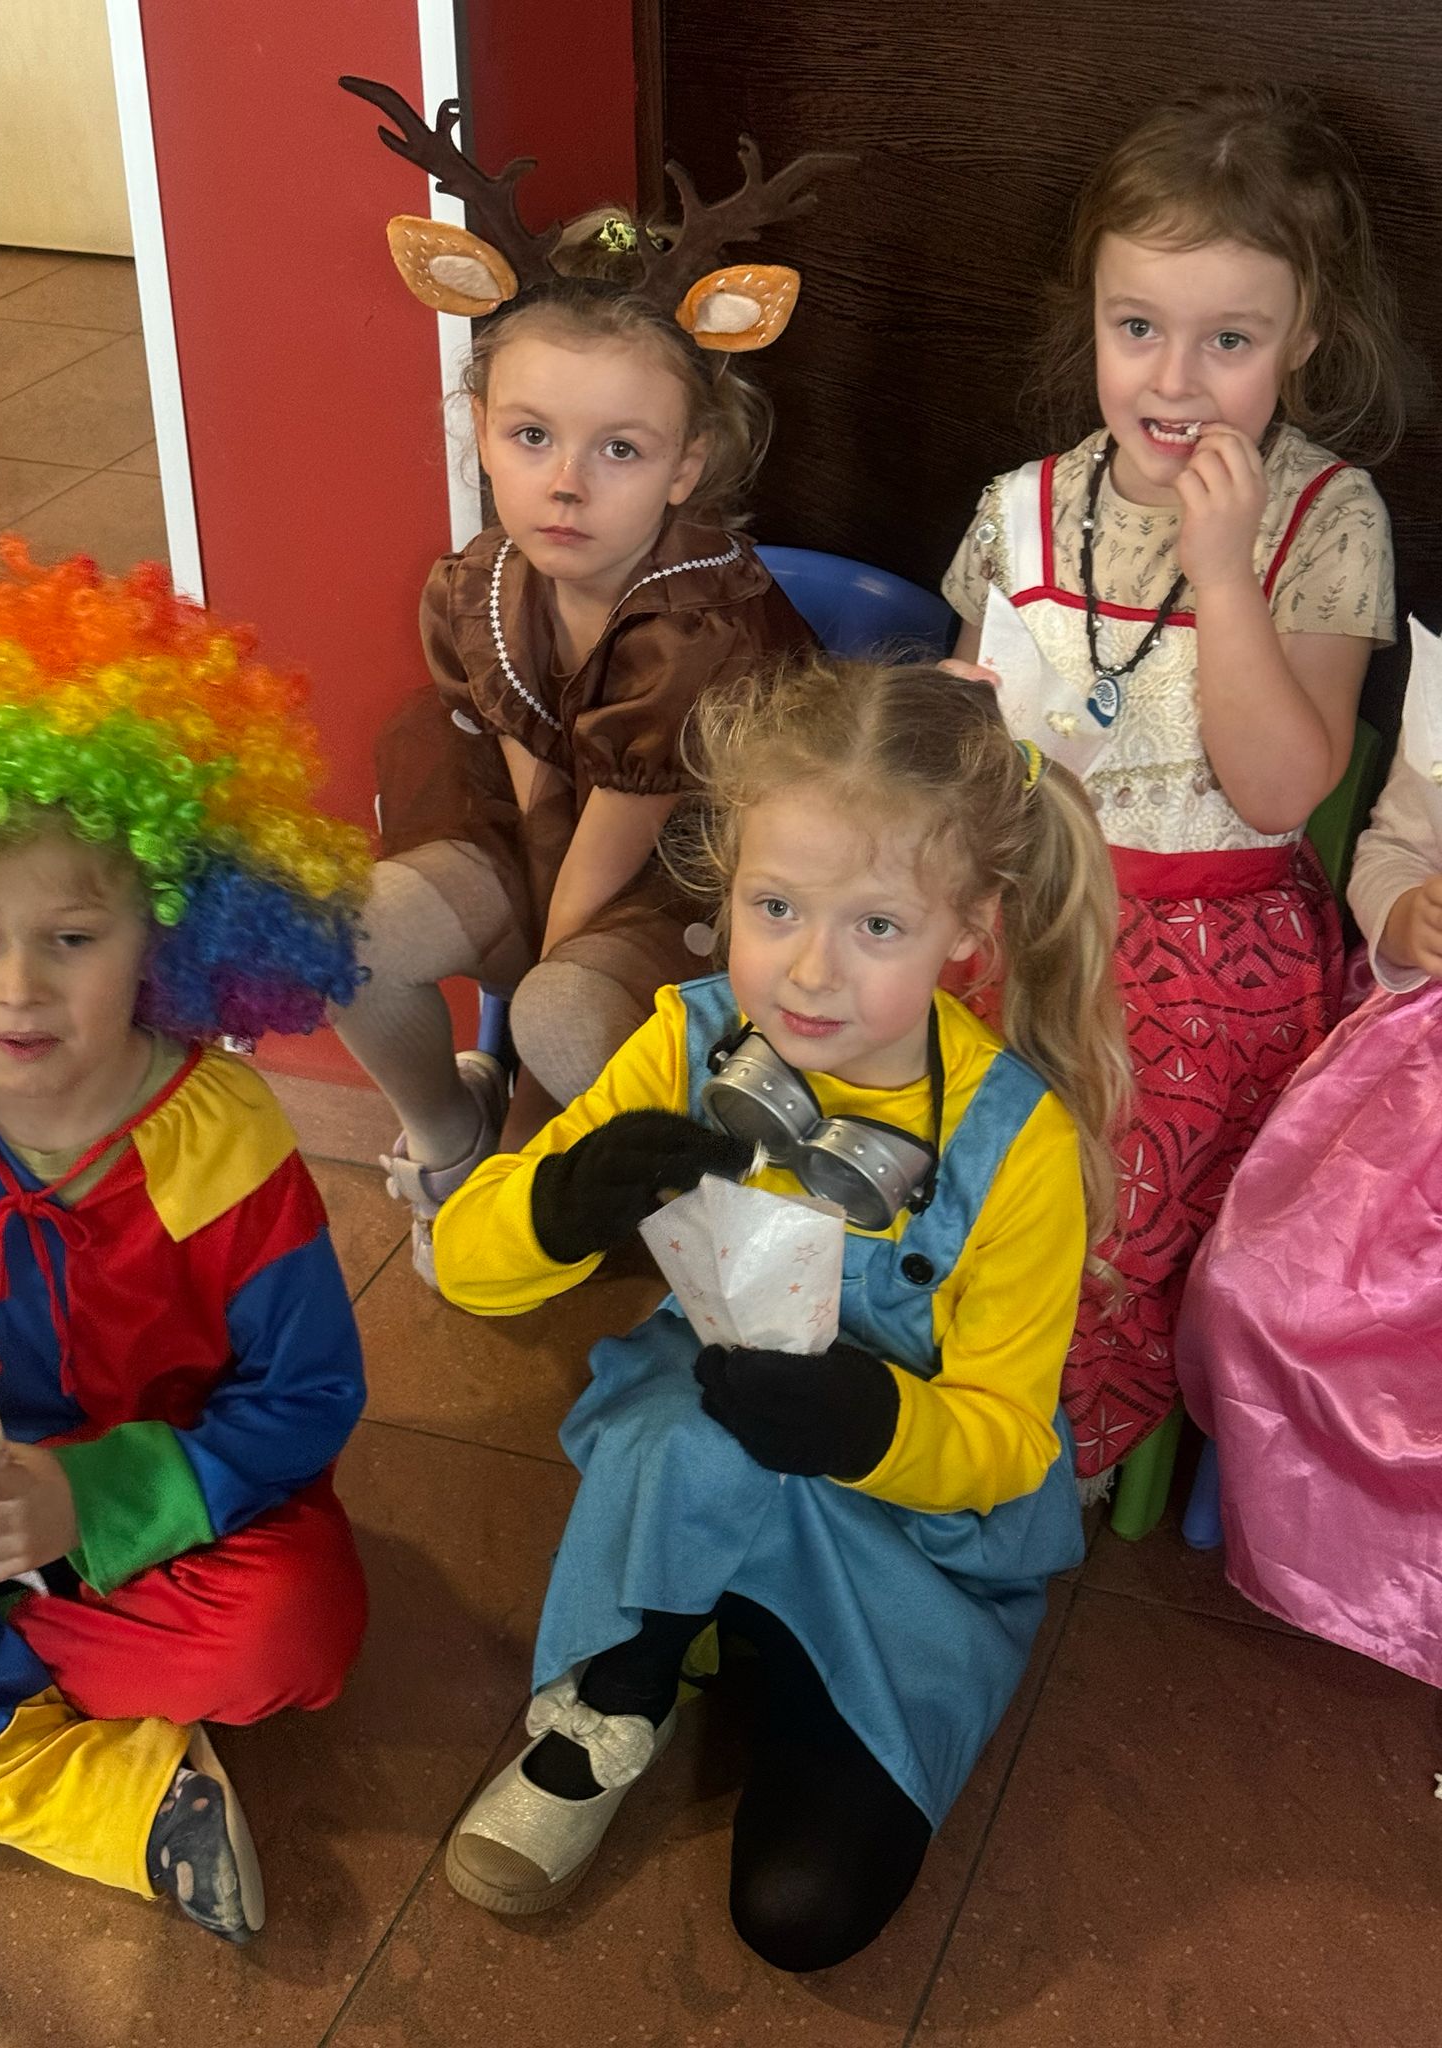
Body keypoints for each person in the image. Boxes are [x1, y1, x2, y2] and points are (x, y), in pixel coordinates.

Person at [429, 653, 1130, 1969]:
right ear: (729, 887)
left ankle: (757, 1629)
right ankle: (622, 1688)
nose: (809, 972)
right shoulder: (684, 1041)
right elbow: (464, 1268)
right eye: (775, 907)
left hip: (901, 1530)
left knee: (799, 1913)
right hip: (702, 1451)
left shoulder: (1016, 1145)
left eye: (877, 927)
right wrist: (557, 1206)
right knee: (687, 1429)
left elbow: (1001, 1442)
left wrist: (871, 1425)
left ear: (968, 928)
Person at [0, 546, 372, 1943]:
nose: (17, 988)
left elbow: (306, 1401)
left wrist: (87, 1501)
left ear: (165, 925)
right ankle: (99, 1786)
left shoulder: (221, 1139)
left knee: (297, 1626)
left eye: (71, 937)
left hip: (173, 1524)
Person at [941, 83, 1403, 1484]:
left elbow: (1279, 792)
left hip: (1216, 950)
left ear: (1306, 338)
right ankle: (918, 1392)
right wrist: (955, 735)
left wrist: (1222, 573)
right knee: (900, 1116)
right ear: (1090, 313)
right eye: (1136, 327)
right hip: (1018, 910)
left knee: (1095, 1190)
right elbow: (962, 756)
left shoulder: (1326, 517)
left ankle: (1043, 1452)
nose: (1174, 382)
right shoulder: (1019, 505)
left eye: (1231, 341)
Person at [335, 79, 824, 1276]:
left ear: (685, 464)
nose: (566, 483)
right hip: (554, 836)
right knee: (342, 938)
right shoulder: (483, 580)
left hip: (702, 875)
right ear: (480, 425)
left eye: (620, 449)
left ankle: (653, 1203)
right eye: (532, 435)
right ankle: (448, 1137)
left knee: (561, 1011)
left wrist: (530, 1085)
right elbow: (531, 784)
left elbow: (596, 873)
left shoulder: (696, 623)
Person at [1176, 698, 1442, 1685]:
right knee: (1261, 1290)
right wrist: (1405, 914)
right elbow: (1395, 847)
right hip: (1422, 1085)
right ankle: (1332, 1552)